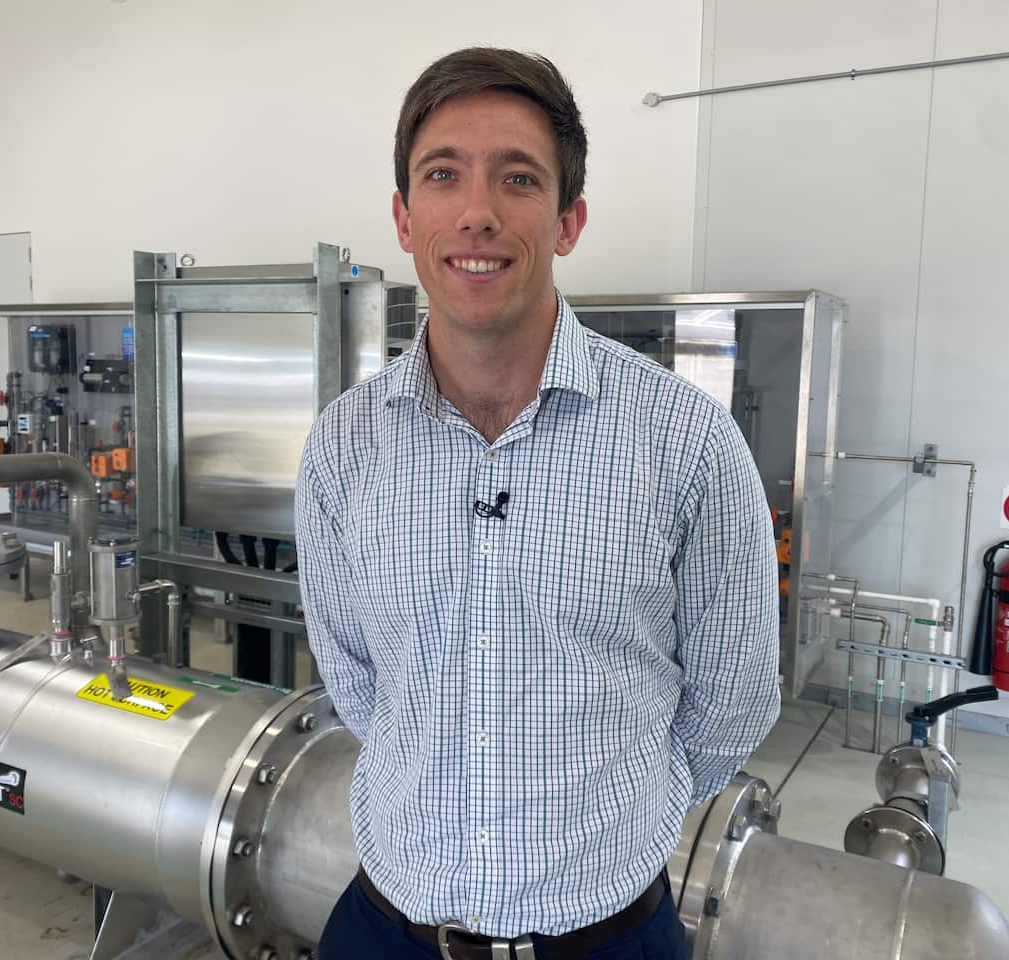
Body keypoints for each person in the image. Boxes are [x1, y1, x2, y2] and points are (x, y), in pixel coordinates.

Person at [296, 47, 780, 960]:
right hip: (388, 931)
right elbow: (357, 683)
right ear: (405, 218)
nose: (477, 212)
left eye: (518, 179)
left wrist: (611, 816)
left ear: (569, 220)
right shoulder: (345, 446)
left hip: (607, 938)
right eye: (443, 175)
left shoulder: (686, 442)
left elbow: (732, 705)